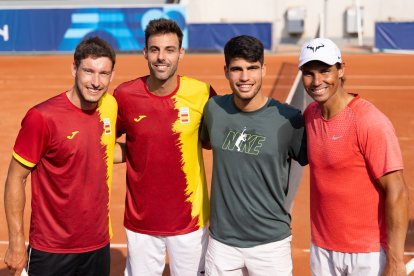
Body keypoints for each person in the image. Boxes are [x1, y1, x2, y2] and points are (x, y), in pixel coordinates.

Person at [4, 36, 117, 276]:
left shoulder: (110, 107)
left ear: (112, 76)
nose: (96, 82)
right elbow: (16, 177)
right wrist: (15, 242)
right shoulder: (42, 117)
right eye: (88, 71)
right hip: (51, 249)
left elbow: (102, 148)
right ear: (74, 69)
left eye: (104, 73)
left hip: (98, 245)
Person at [113, 18, 216, 275]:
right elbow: (105, 144)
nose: (162, 57)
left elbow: (211, 141)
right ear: (145, 52)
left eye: (170, 50)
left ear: (181, 53)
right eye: (155, 50)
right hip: (141, 223)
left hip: (190, 222)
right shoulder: (125, 95)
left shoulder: (202, 93)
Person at [298, 37, 409, 275]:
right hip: (322, 249)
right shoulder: (310, 115)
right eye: (309, 73)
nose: (317, 81)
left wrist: (396, 260)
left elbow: (397, 191)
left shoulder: (369, 121)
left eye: (325, 71)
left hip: (366, 254)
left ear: (341, 70)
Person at [201, 35, 307, 275]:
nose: (245, 77)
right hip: (222, 243)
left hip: (271, 245)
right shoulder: (214, 109)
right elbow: (206, 141)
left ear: (263, 69)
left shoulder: (289, 118)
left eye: (252, 68)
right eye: (237, 69)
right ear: (226, 71)